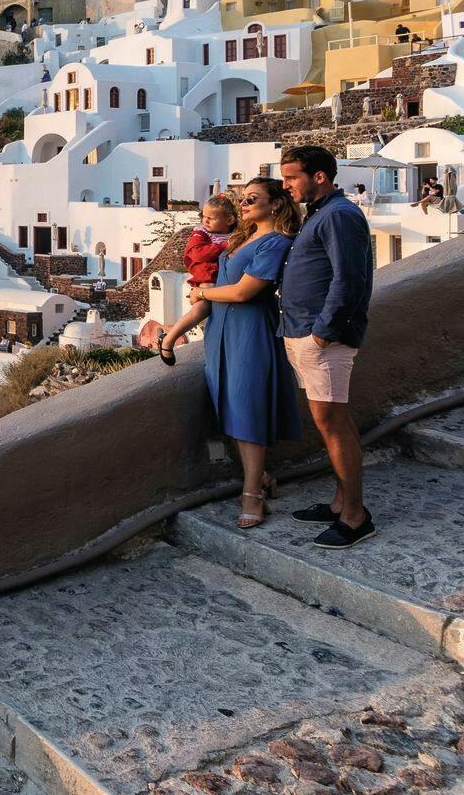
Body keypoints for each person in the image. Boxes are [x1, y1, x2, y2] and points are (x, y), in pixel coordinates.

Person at [157, 178, 302, 529]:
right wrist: (178, 329)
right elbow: (215, 286)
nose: (244, 203)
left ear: (276, 205)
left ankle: (252, 493)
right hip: (220, 331)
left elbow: (241, 292)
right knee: (231, 408)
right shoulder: (239, 238)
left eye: (253, 198)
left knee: (247, 407)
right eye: (243, 198)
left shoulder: (276, 242)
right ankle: (262, 476)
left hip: (250, 331)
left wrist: (204, 295)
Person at [279, 144, 377, 548]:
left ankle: (355, 517)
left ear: (319, 177)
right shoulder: (320, 214)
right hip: (306, 333)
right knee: (333, 420)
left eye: (291, 178)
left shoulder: (339, 215)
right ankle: (340, 503)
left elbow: (349, 280)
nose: (286, 186)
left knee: (331, 423)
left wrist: (322, 333)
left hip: (323, 339)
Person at [182, 193, 239, 290]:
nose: (205, 221)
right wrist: (223, 246)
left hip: (225, 276)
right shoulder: (200, 234)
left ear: (229, 220)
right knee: (205, 297)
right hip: (207, 276)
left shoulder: (235, 235)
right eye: (204, 216)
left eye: (211, 218)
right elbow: (198, 254)